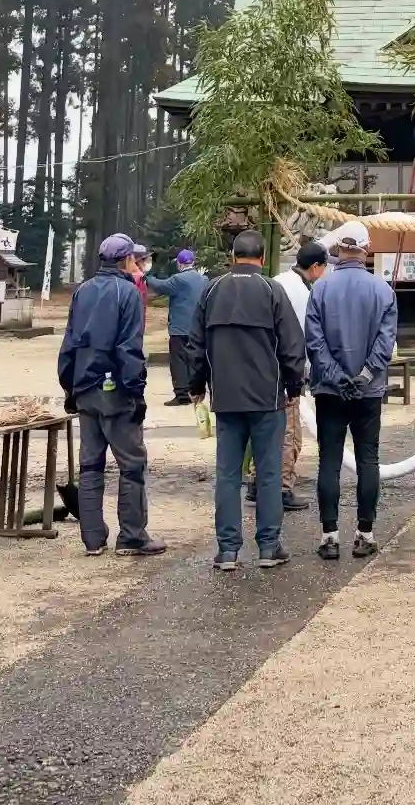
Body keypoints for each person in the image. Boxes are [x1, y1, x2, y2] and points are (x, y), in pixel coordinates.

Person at [187, 230, 306, 571]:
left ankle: (227, 551)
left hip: (225, 398)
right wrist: (293, 387)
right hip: (267, 398)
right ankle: (268, 547)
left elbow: (195, 346)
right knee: (268, 473)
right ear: (262, 258)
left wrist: (196, 386)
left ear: (232, 257)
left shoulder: (212, 290)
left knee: (227, 474)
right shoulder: (272, 290)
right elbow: (292, 346)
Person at [57, 232, 166, 558]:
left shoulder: (83, 291)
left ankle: (93, 539)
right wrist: (136, 391)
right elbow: (128, 348)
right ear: (127, 259)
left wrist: (69, 386)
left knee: (90, 465)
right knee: (131, 464)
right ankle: (132, 535)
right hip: (116, 389)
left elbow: (70, 342)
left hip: (85, 388)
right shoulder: (128, 292)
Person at [304, 219, 399, 562]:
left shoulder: (320, 289)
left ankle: (329, 537)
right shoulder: (383, 290)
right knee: (368, 459)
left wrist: (335, 376)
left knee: (329, 460)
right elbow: (385, 342)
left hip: (330, 391)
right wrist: (365, 374)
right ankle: (365, 533)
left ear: (339, 250)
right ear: (366, 249)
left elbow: (314, 342)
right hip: (368, 390)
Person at [251, 238, 328, 512]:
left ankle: (256, 482)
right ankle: (282, 488)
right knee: (289, 434)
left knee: (263, 431)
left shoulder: (275, 281)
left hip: (261, 369)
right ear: (316, 267)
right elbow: (304, 339)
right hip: (285, 373)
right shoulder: (303, 294)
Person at [146, 247, 208, 405]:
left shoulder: (178, 280)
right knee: (194, 360)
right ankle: (194, 391)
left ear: (179, 264)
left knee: (179, 361)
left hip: (180, 328)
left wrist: (148, 274)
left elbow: (159, 286)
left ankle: (182, 395)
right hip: (198, 328)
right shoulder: (203, 280)